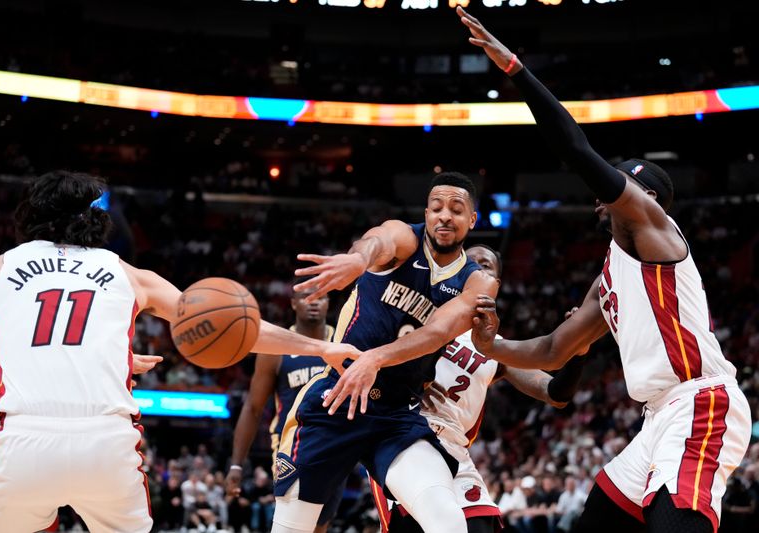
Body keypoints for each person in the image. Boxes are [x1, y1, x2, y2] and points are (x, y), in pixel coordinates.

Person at [457, 7, 752, 533]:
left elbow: (574, 147)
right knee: (597, 519)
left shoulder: (657, 233)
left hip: (700, 401)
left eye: (615, 189)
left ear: (645, 199)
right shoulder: (609, 276)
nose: (600, 199)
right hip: (659, 415)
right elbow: (553, 350)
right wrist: (492, 346)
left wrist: (515, 69)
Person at [0, 170, 359, 533]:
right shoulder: (129, 274)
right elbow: (238, 331)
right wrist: (320, 347)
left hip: (25, 439)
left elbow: (17, 345)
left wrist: (107, 357)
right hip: (105, 442)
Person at [271, 172, 499, 533]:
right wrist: (359, 260)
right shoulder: (406, 239)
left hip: (395, 414)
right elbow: (379, 240)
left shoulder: (478, 281)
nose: (444, 216)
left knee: (449, 520)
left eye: (456, 210)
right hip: (336, 399)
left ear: (472, 220)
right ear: (425, 213)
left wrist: (374, 358)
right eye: (436, 207)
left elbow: (438, 331)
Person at [371, 245, 588, 533]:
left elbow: (556, 394)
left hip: (455, 451)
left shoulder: (500, 349)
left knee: (481, 526)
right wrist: (408, 380)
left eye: (485, 266)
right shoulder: (422, 315)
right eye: (468, 264)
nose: (475, 270)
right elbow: (370, 360)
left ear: (495, 284)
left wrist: (579, 352)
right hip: (405, 436)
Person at [226, 283, 343, 533]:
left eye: (321, 297)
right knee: (295, 524)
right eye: (306, 296)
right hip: (292, 446)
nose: (313, 302)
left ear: (329, 303)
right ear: (292, 303)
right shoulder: (275, 347)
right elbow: (253, 407)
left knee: (320, 526)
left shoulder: (342, 341)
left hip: (337, 443)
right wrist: (237, 465)